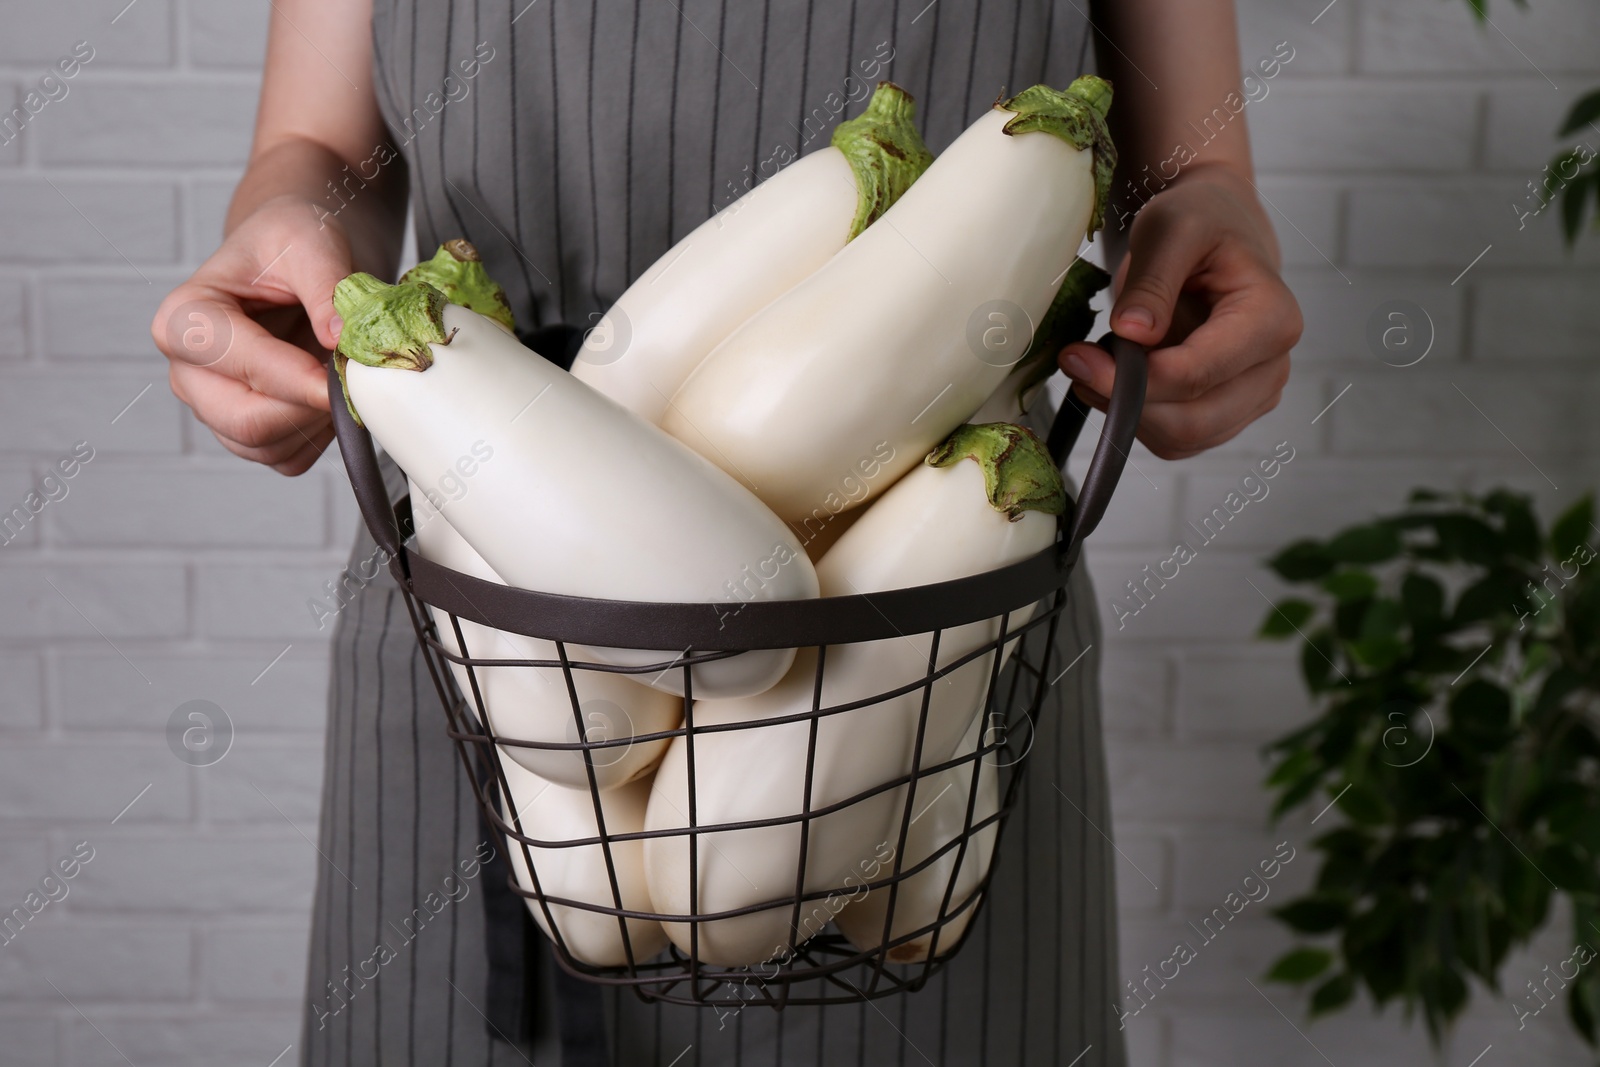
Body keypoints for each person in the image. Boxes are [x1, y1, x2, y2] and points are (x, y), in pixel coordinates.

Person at [152, 2, 1301, 1064]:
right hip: (488, 551)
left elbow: (1185, 163)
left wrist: (1205, 229)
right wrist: (284, 233)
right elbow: (316, 148)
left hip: (935, 571)